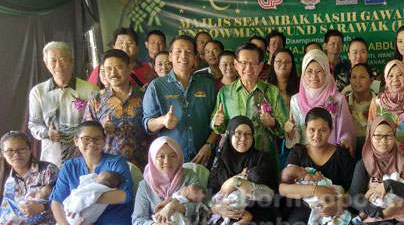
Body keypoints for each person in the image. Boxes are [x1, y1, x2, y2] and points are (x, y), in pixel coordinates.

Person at [143, 35, 218, 164]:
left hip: (204, 158)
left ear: (195, 58)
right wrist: (163, 120)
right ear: (170, 56)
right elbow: (148, 125)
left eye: (189, 52)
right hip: (170, 161)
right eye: (178, 51)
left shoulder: (207, 85)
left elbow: (217, 121)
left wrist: (209, 145)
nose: (183, 56)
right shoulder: (156, 86)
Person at [211, 42, 288, 166]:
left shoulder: (272, 92)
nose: (248, 68)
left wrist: (273, 123)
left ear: (261, 66)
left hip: (264, 159)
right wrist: (216, 122)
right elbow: (219, 126)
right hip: (234, 161)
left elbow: (284, 128)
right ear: (236, 64)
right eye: (243, 63)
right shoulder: (225, 92)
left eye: (253, 63)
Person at [28, 41, 98, 168]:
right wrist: (46, 132)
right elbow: (34, 124)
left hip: (84, 156)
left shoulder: (90, 90)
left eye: (62, 59)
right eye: (53, 60)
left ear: (71, 60)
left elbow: (96, 123)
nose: (58, 65)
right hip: (51, 157)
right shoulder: (38, 92)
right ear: (46, 64)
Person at [84, 49, 150, 169]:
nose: (113, 73)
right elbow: (87, 134)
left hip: (143, 165)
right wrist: (102, 129)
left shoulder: (145, 95)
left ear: (129, 68)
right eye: (108, 69)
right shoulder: (96, 99)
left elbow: (155, 129)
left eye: (118, 67)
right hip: (108, 167)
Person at [285, 49, 354, 154]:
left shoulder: (338, 99)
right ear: (303, 73)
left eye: (319, 71)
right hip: (306, 156)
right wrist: (291, 131)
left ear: (326, 72)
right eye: (309, 71)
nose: (314, 76)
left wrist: (344, 141)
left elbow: (345, 130)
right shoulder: (296, 100)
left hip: (331, 155)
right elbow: (296, 136)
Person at [88, 27, 157, 87]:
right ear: (114, 47)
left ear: (137, 48)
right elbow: (90, 92)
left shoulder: (146, 68)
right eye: (120, 43)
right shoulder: (102, 69)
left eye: (130, 43)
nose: (125, 47)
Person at [346, 63, 376, 160]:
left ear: (371, 80)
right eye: (353, 77)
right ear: (349, 80)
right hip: (349, 149)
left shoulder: (380, 102)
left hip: (374, 149)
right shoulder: (343, 102)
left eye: (362, 77)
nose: (357, 81)